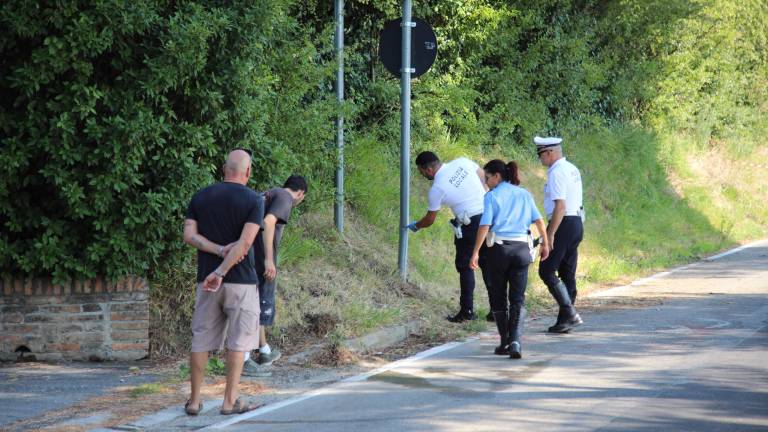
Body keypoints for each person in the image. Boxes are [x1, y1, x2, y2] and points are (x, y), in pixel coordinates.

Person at [182, 149, 265, 416]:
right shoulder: (254, 200)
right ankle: (229, 402)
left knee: (201, 339)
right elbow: (245, 243)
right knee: (238, 342)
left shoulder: (201, 196)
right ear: (248, 171)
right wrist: (222, 270)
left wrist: (217, 253)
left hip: (206, 282)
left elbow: (189, 235)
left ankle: (194, 401)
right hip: (239, 282)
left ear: (223, 168)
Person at [470, 160, 549, 359]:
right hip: (522, 250)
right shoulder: (524, 193)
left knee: (498, 296)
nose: (486, 182)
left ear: (497, 176)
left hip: (499, 251)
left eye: (487, 178)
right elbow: (539, 221)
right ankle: (515, 341)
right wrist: (546, 244)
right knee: (518, 298)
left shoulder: (491, 196)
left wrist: (475, 252)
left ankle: (504, 341)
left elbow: (485, 225)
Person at [408, 151, 491, 323]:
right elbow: (485, 178)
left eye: (421, 172)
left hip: (470, 224)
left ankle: (467, 311)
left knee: (466, 266)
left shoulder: (437, 188)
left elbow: (430, 219)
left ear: (428, 169)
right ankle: (497, 310)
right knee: (489, 264)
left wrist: (416, 225)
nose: (423, 175)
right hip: (490, 217)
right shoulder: (462, 161)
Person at [242, 175, 307, 376]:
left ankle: (264, 351)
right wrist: (269, 259)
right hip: (260, 257)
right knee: (256, 305)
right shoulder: (286, 197)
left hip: (247, 254)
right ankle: (243, 357)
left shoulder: (269, 193)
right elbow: (268, 222)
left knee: (257, 302)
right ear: (301, 193)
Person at [535, 136, 584, 333]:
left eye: (540, 155)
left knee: (546, 270)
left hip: (563, 223)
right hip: (576, 222)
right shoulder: (571, 168)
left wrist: (550, 234)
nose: (540, 159)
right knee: (566, 272)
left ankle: (569, 313)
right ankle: (565, 320)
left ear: (550, 152)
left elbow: (560, 206)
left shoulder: (556, 172)